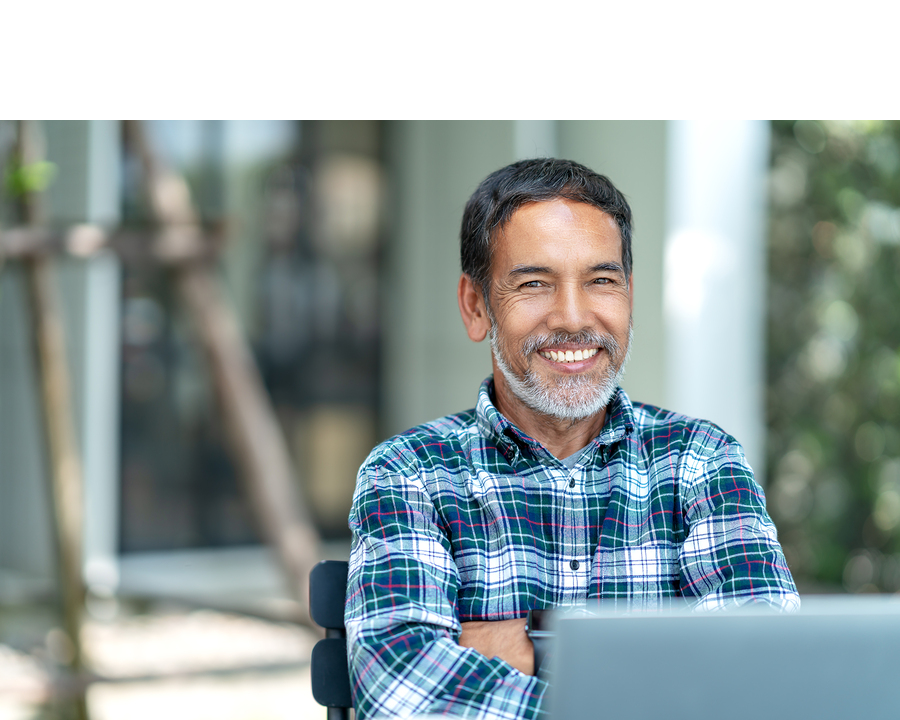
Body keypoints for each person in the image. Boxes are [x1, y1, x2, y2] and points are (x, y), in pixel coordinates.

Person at [344, 158, 799, 719]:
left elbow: (764, 680)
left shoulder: (701, 462)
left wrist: (530, 647)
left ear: (628, 296)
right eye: (535, 283)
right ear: (476, 306)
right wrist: (655, 685)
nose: (573, 316)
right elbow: (404, 692)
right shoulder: (409, 473)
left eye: (601, 281)